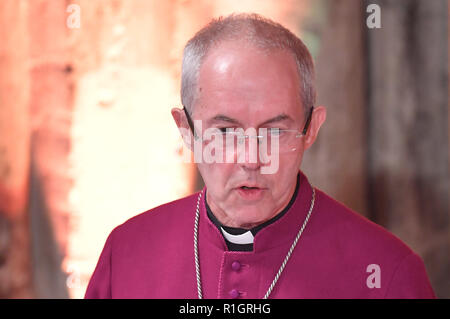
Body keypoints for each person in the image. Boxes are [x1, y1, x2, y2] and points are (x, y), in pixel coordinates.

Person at [85, 13, 435, 299]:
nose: (251, 159)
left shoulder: (387, 273)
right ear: (186, 130)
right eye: (225, 132)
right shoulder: (127, 254)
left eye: (274, 131)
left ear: (311, 128)